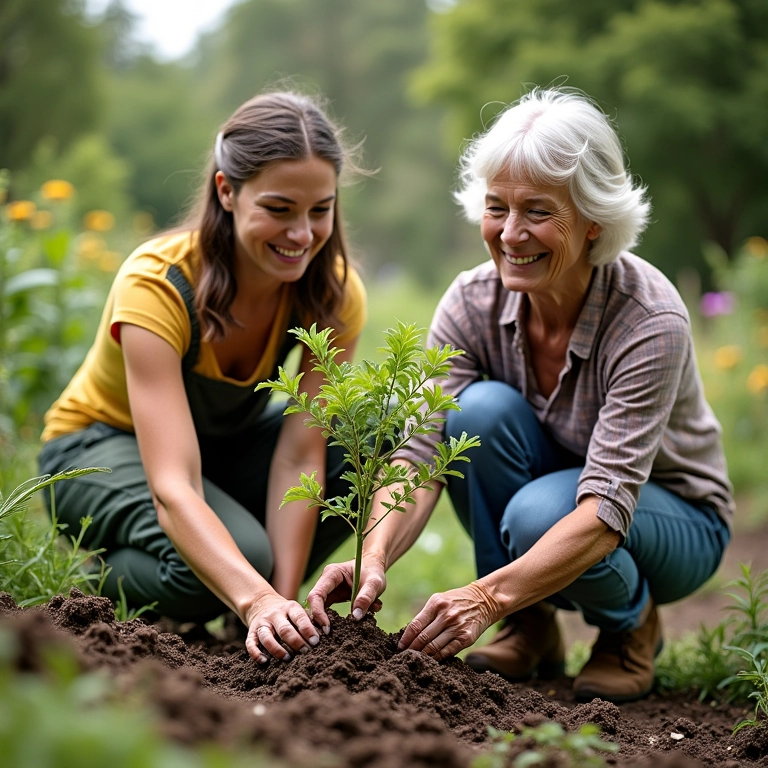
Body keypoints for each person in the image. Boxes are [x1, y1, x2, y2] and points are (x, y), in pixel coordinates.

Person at [307, 87, 734, 703]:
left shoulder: (647, 318)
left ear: (593, 222)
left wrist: (483, 597)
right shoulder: (471, 301)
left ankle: (629, 626)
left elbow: (609, 503)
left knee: (538, 514)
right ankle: (531, 627)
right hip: (561, 492)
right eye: (497, 207)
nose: (511, 234)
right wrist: (373, 556)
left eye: (537, 211)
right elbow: (420, 453)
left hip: (672, 517)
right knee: (474, 413)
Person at [38, 90, 367, 665]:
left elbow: (300, 457)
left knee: (366, 439)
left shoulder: (333, 293)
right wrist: (254, 599)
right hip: (94, 447)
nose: (302, 234)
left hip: (216, 452)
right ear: (226, 191)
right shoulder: (158, 283)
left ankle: (245, 574)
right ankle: (92, 580)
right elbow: (173, 483)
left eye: (320, 209)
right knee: (214, 569)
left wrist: (280, 603)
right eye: (279, 208)